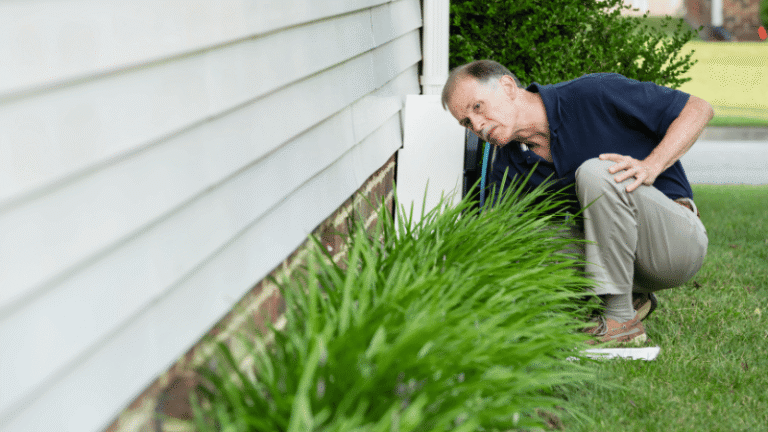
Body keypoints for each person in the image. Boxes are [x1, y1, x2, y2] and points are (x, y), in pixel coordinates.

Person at [441, 60, 712, 345]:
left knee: (596, 173)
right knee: (513, 239)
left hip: (674, 246)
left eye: (478, 107)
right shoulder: (510, 167)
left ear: (508, 87)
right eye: (467, 122)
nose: (478, 126)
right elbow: (493, 245)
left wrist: (651, 166)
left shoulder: (593, 93)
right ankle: (625, 299)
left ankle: (620, 320)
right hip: (622, 261)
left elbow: (698, 109)